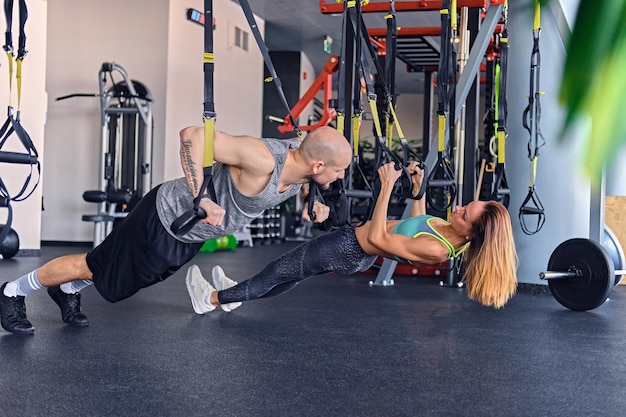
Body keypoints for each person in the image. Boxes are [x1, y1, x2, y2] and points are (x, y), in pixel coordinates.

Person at [0, 125, 353, 335]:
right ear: (319, 164)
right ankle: (13, 292)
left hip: (188, 237)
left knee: (122, 279)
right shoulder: (262, 159)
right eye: (338, 172)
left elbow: (304, 178)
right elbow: (192, 135)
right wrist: (203, 196)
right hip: (163, 218)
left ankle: (67, 290)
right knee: (93, 264)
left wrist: (313, 200)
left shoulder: (304, 168)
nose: (339, 178)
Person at [186, 161, 518, 312]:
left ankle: (211, 300)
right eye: (465, 206)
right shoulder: (443, 232)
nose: (457, 208)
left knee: (278, 270)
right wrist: (417, 190)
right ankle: (234, 295)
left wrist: (386, 188)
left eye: (464, 214)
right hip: (355, 247)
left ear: (472, 235)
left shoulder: (438, 250)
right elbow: (413, 225)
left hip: (348, 248)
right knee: (289, 275)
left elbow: (380, 237)